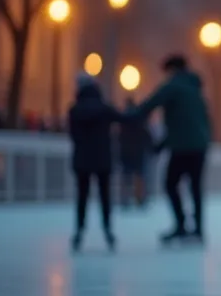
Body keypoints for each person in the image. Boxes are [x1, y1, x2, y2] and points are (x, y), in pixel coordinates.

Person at [131, 55, 212, 246]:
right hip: (199, 146)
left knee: (170, 183)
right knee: (195, 187)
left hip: (183, 146)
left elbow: (151, 104)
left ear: (172, 69)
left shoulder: (174, 86)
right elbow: (191, 121)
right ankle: (198, 229)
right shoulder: (195, 89)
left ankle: (181, 225)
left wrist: (131, 116)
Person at [67, 74, 123, 252]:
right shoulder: (105, 109)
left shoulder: (75, 110)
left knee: (82, 197)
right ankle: (108, 230)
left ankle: (79, 231)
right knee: (105, 196)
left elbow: (73, 135)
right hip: (102, 159)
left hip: (82, 159)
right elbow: (126, 118)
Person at [117, 98, 152, 209]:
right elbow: (146, 135)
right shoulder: (140, 119)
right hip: (138, 151)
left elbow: (119, 137)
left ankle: (125, 199)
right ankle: (140, 199)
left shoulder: (123, 120)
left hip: (126, 151)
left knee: (127, 177)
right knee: (140, 176)